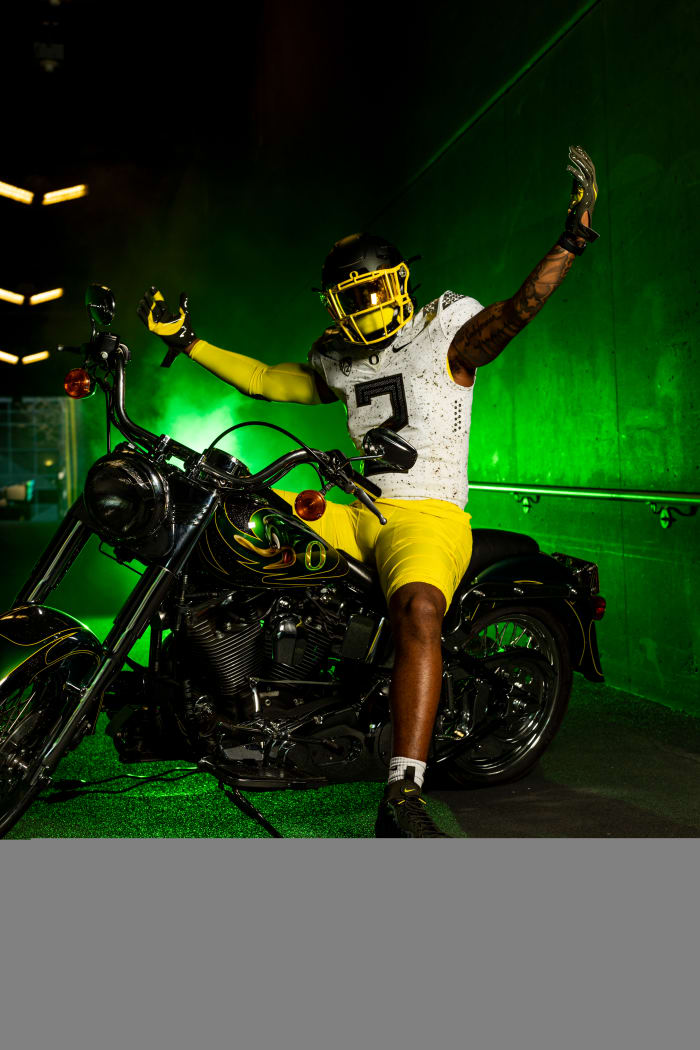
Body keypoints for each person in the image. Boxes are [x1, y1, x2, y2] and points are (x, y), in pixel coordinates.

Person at [138, 144, 599, 838]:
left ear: (401, 283)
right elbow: (269, 381)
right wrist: (190, 340)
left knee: (418, 609)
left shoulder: (444, 332)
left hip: (426, 515)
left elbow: (519, 308)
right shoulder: (339, 357)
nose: (369, 302)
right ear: (335, 304)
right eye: (353, 295)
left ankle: (404, 793)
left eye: (377, 288)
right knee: (234, 531)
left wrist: (571, 239)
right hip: (356, 513)